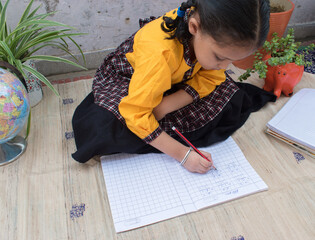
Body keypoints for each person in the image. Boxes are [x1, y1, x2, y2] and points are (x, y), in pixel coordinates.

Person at [72, 0, 275, 173]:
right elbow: (135, 113)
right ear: (194, 27)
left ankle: (159, 114)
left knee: (232, 95)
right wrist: (183, 155)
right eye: (221, 57)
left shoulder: (204, 35)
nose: (224, 67)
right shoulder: (159, 54)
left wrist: (165, 105)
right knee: (107, 128)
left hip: (171, 79)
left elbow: (212, 77)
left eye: (232, 61)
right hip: (130, 79)